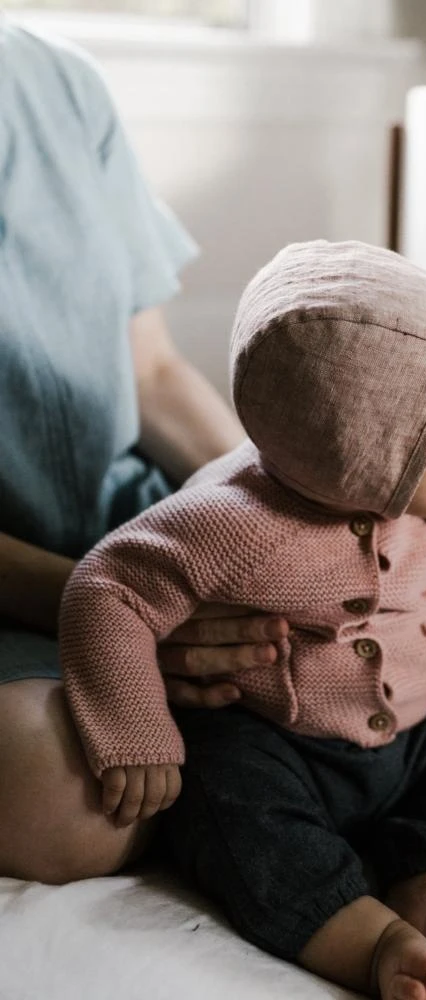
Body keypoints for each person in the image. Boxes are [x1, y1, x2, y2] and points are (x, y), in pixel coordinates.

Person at [59, 240, 426, 1000]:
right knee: (225, 804)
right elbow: (106, 588)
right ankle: (352, 927)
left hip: (418, 729)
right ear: (379, 465)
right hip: (277, 741)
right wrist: (136, 731)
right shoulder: (232, 526)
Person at [0, 18, 287, 884]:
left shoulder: (57, 81)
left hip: (131, 532)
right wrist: (118, 623)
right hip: (27, 595)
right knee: (54, 797)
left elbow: (153, 373)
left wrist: (279, 507)